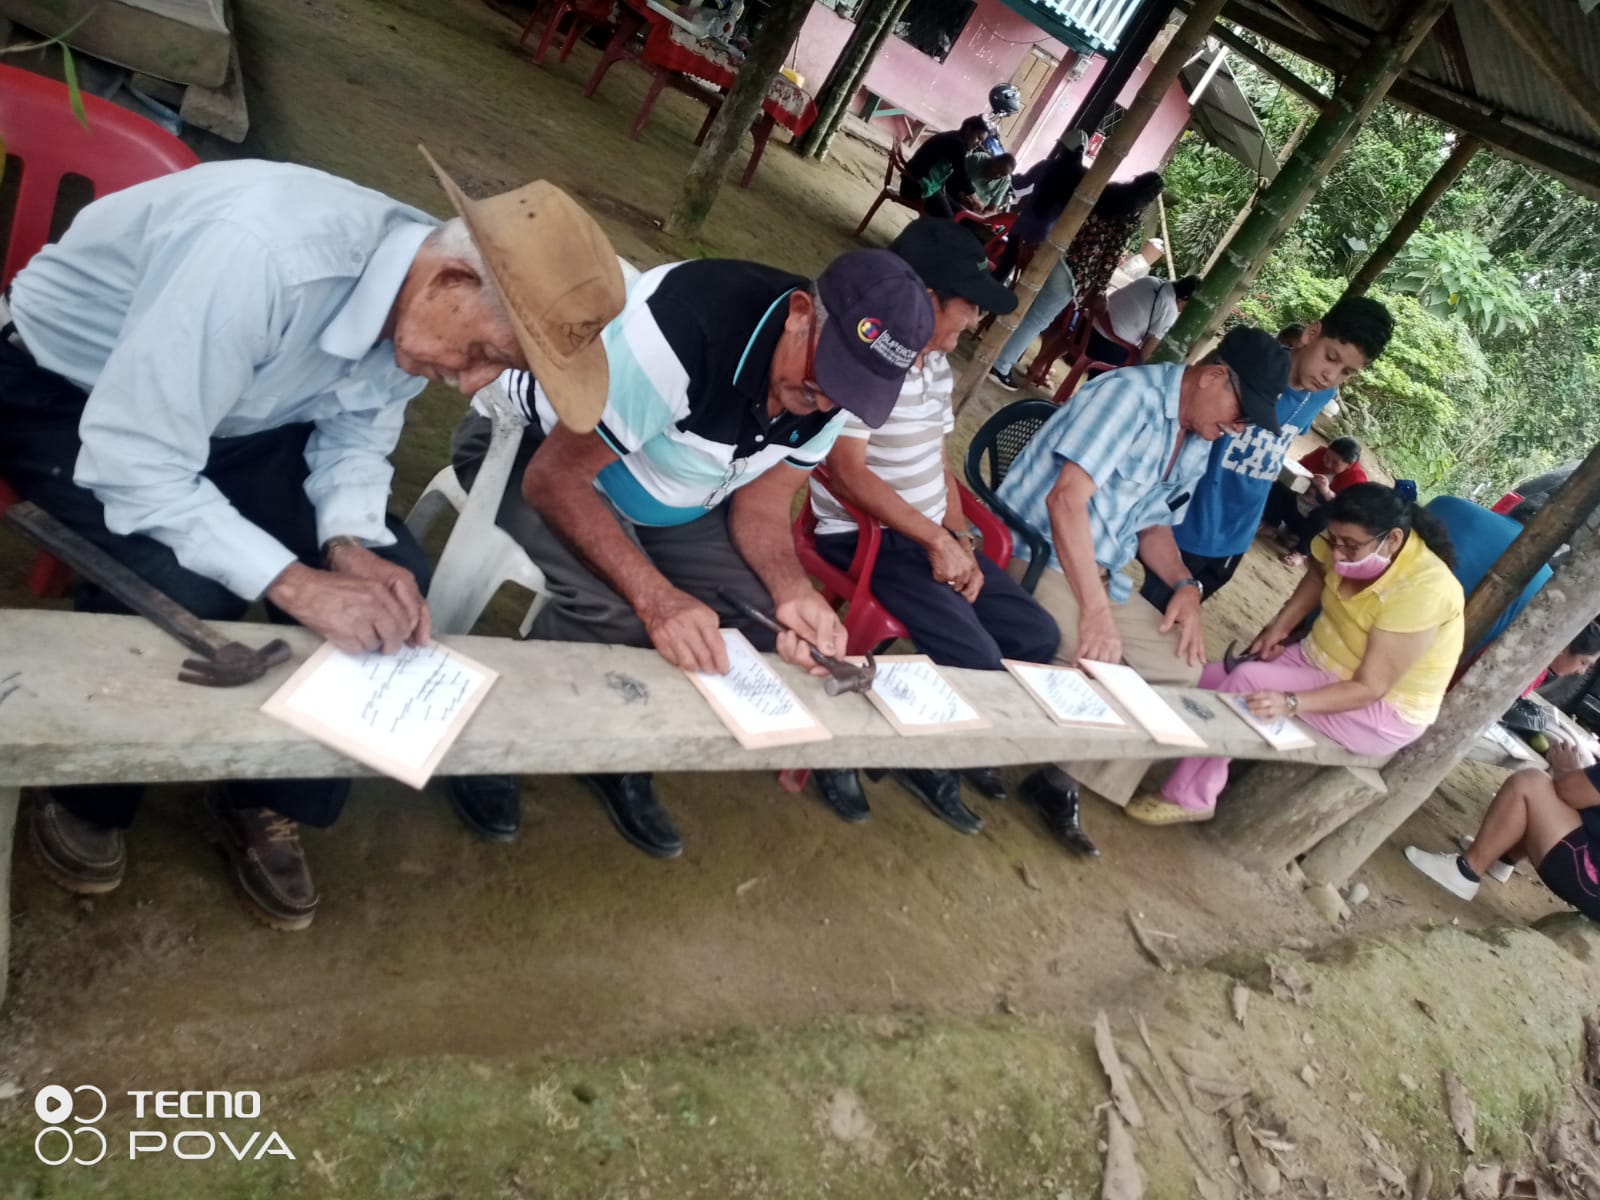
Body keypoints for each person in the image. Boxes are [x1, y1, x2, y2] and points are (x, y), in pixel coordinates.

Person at [0, 150, 625, 928]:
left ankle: (265, 792)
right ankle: (87, 794)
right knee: (187, 586)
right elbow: (138, 461)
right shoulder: (260, 257)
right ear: (450, 281)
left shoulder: (418, 302)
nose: (470, 383)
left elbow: (357, 429)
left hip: (248, 414)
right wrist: (295, 582)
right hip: (68, 394)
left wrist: (348, 541)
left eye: (496, 369)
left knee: (392, 573)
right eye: (483, 355)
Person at [451, 250, 934, 858]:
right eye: (822, 378)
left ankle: (612, 747)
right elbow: (555, 479)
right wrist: (657, 599)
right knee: (624, 613)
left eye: (845, 393)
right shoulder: (688, 328)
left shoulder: (832, 396)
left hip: (672, 502)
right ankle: (491, 738)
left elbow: (763, 505)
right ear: (799, 313)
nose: (822, 403)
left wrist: (795, 594)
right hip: (532, 452)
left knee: (761, 625)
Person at [993, 326, 1290, 851]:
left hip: (1100, 574)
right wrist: (1094, 611)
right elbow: (1065, 501)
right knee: (1091, 658)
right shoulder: (1129, 398)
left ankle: (1058, 780)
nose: (1236, 429)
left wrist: (1185, 585)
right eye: (1240, 414)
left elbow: (1154, 526)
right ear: (1213, 377)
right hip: (1035, 553)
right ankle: (974, 750)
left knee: (1181, 670)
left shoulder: (1197, 434)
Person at [809, 217, 1057, 833]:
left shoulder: (936, 366)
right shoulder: (869, 358)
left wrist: (961, 538)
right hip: (866, 538)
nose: (973, 321)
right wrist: (933, 539)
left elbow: (936, 460)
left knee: (1035, 635)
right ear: (925, 299)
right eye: (968, 306)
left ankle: (936, 747)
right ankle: (863, 751)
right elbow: (847, 475)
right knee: (975, 654)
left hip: (927, 539)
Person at [1134, 484, 1464, 824]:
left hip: (1381, 711)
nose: (1339, 554)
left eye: (1350, 546)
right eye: (1335, 541)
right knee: (1206, 678)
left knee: (1247, 683)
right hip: (1319, 662)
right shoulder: (1344, 538)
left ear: (1392, 539)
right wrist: (1278, 629)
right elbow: (1319, 576)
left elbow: (1370, 688)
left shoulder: (1425, 592)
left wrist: (1291, 702)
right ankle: (1145, 749)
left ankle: (1191, 796)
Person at [1139, 297, 1394, 610]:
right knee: (1148, 612)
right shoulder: (1250, 365)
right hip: (1188, 517)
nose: (1331, 376)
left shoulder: (1320, 396)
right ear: (1312, 333)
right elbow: (1185, 410)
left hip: (1238, 531)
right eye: (1330, 357)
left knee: (1180, 615)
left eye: (1346, 372)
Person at [988, 172, 1166, 392]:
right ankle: (1000, 365)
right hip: (1074, 270)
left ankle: (992, 350)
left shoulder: (1110, 191)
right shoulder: (1130, 213)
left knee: (1025, 307)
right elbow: (1110, 256)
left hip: (1056, 252)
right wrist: (1099, 290)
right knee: (1037, 319)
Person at [1405, 741, 1600, 921]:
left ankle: (1466, 870)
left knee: (1531, 783)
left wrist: (1567, 770)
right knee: (1559, 792)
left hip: (1590, 882)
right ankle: (1502, 858)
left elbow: (1569, 791)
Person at [1260, 436, 1368, 565]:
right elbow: (1297, 468)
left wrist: (1327, 492)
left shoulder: (1357, 479)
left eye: (1335, 463)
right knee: (1282, 484)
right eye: (1327, 457)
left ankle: (1302, 552)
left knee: (1327, 513)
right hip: (1296, 508)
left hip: (1316, 527)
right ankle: (1271, 524)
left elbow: (1347, 513)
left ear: (1349, 465)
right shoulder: (1319, 453)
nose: (1328, 464)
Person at [1090, 273, 1201, 366]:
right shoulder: (1170, 310)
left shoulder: (1149, 280)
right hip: (1105, 347)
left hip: (1086, 327)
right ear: (1185, 299)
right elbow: (1145, 354)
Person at [902, 116, 992, 219]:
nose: (979, 144)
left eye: (982, 141)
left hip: (923, 184)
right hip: (915, 186)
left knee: (960, 212)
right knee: (949, 219)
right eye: (978, 138)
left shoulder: (955, 137)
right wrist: (976, 199)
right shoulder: (957, 144)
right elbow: (961, 175)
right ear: (968, 129)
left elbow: (957, 176)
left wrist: (967, 196)